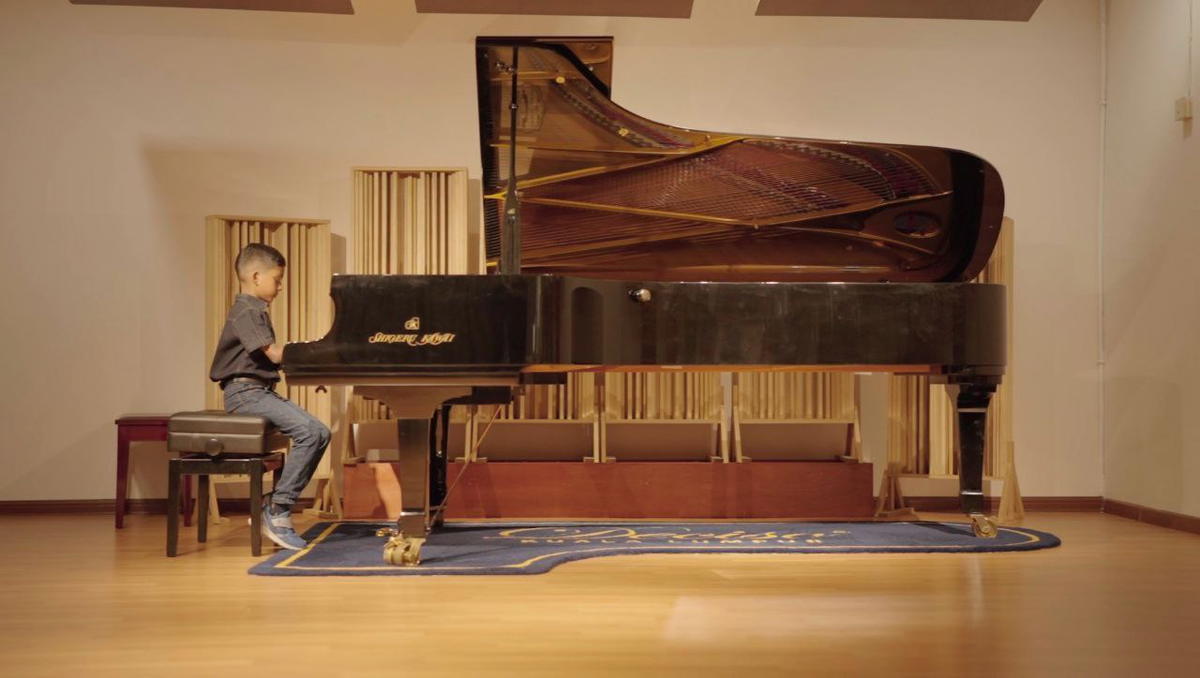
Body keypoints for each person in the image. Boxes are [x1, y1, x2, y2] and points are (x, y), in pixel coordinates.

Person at [209, 243, 330, 550]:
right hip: (245, 393)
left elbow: (269, 361)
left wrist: (312, 372)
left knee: (318, 432)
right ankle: (277, 510)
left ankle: (274, 504)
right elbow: (275, 355)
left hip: (256, 391)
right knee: (310, 431)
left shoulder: (254, 311)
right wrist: (313, 353)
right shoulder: (247, 310)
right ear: (255, 276)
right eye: (277, 280)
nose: (280, 287)